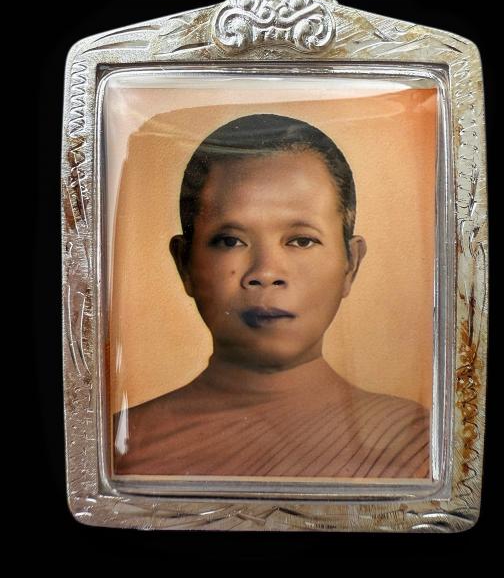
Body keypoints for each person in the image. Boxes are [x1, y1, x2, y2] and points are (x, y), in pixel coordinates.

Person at [113, 114, 430, 479]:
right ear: (185, 263)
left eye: (301, 241)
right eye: (230, 241)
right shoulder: (119, 447)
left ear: (351, 264)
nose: (265, 272)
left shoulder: (416, 444)